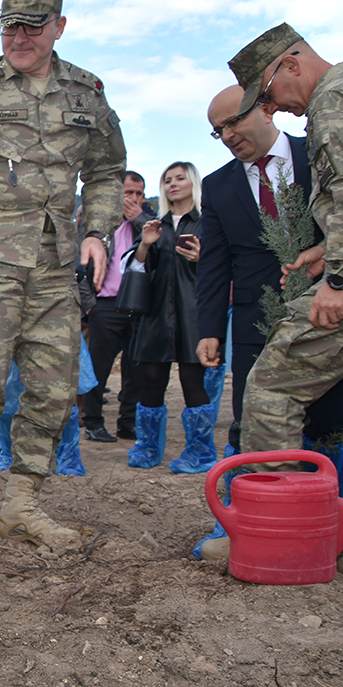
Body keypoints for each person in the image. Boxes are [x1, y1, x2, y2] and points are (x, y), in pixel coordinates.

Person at [0, 0, 124, 560]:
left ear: (58, 28)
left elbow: (108, 169)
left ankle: (21, 505)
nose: (19, 36)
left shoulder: (86, 93)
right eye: (10, 25)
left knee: (52, 388)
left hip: (54, 265)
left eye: (33, 26)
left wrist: (97, 231)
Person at [192, 83, 343, 560]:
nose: (227, 135)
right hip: (257, 323)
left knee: (334, 421)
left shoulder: (318, 154)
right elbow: (215, 263)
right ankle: (256, 522)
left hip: (330, 309)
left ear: (265, 109)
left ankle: (331, 526)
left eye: (233, 122)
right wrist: (210, 328)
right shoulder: (218, 186)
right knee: (251, 418)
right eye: (217, 132)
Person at [229, 25, 343, 479]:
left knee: (273, 386)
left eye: (269, 93)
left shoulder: (332, 100)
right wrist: (326, 248)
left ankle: (281, 527)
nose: (273, 108)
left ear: (292, 65)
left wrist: (338, 278)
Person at [122, 163, 214, 472]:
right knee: (151, 380)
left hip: (194, 313)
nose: (173, 184)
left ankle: (200, 451)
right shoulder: (155, 224)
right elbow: (136, 268)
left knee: (192, 380)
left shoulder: (208, 222)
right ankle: (148, 448)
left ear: (193, 182)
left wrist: (204, 258)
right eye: (167, 180)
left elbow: (222, 267)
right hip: (157, 313)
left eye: (180, 178)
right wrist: (145, 244)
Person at [82, 173, 150, 442]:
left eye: (139, 194)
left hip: (138, 304)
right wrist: (90, 306)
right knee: (99, 367)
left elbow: (161, 249)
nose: (134, 199)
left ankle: (128, 422)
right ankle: (93, 422)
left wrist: (140, 219)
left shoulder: (147, 222)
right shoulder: (94, 223)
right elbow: (78, 264)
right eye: (129, 192)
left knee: (136, 368)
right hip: (105, 305)